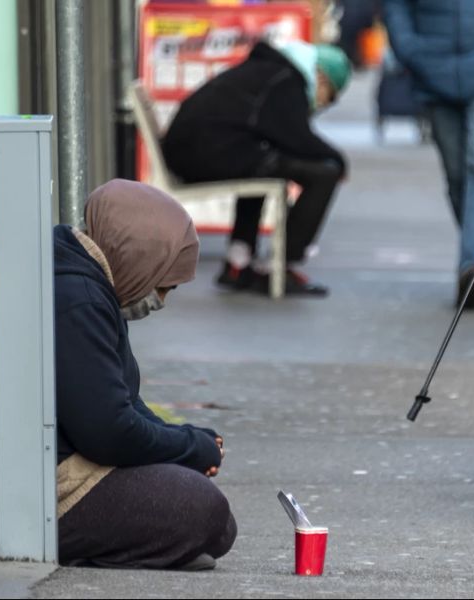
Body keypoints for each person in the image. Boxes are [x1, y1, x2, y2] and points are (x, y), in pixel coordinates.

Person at [54, 179, 235, 569]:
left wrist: (189, 441)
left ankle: (149, 541)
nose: (161, 301)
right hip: (57, 492)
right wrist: (188, 446)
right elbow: (109, 432)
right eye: (164, 286)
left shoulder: (88, 284)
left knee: (206, 512)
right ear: (139, 257)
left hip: (72, 467)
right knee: (205, 513)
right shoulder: (79, 301)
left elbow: (124, 402)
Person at [162, 41, 352, 297]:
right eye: (327, 97)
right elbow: (297, 138)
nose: (321, 105)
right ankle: (281, 265)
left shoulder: (271, 70)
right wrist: (337, 160)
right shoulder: (285, 80)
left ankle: (238, 261)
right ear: (321, 77)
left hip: (194, 151)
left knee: (265, 164)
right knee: (323, 175)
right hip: (203, 155)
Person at [384, 0, 474, 309]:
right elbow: (395, 6)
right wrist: (411, 50)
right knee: (457, 177)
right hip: (434, 73)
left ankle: (472, 268)